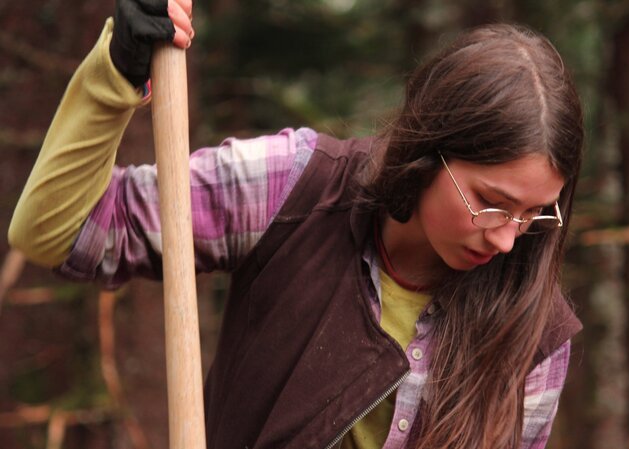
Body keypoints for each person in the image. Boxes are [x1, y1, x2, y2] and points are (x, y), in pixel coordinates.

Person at [8, 0, 584, 447]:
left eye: (535, 213)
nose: (509, 237)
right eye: (491, 201)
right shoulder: (295, 188)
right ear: (429, 151)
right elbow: (62, 229)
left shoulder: (535, 329)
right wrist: (116, 74)